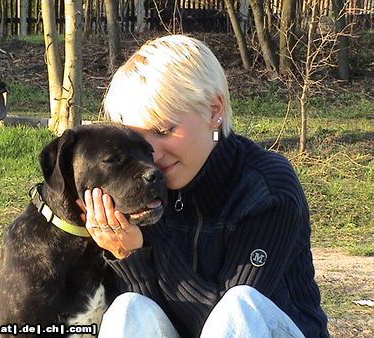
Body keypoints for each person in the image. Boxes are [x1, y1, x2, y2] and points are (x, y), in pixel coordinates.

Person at [77, 35, 329, 337]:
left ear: (214, 111)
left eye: (164, 130)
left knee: (239, 304)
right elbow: (151, 317)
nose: (152, 155)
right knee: (129, 308)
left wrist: (145, 250)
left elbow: (229, 325)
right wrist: (128, 253)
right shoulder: (146, 188)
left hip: (265, 328)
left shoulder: (267, 187)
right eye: (139, 139)